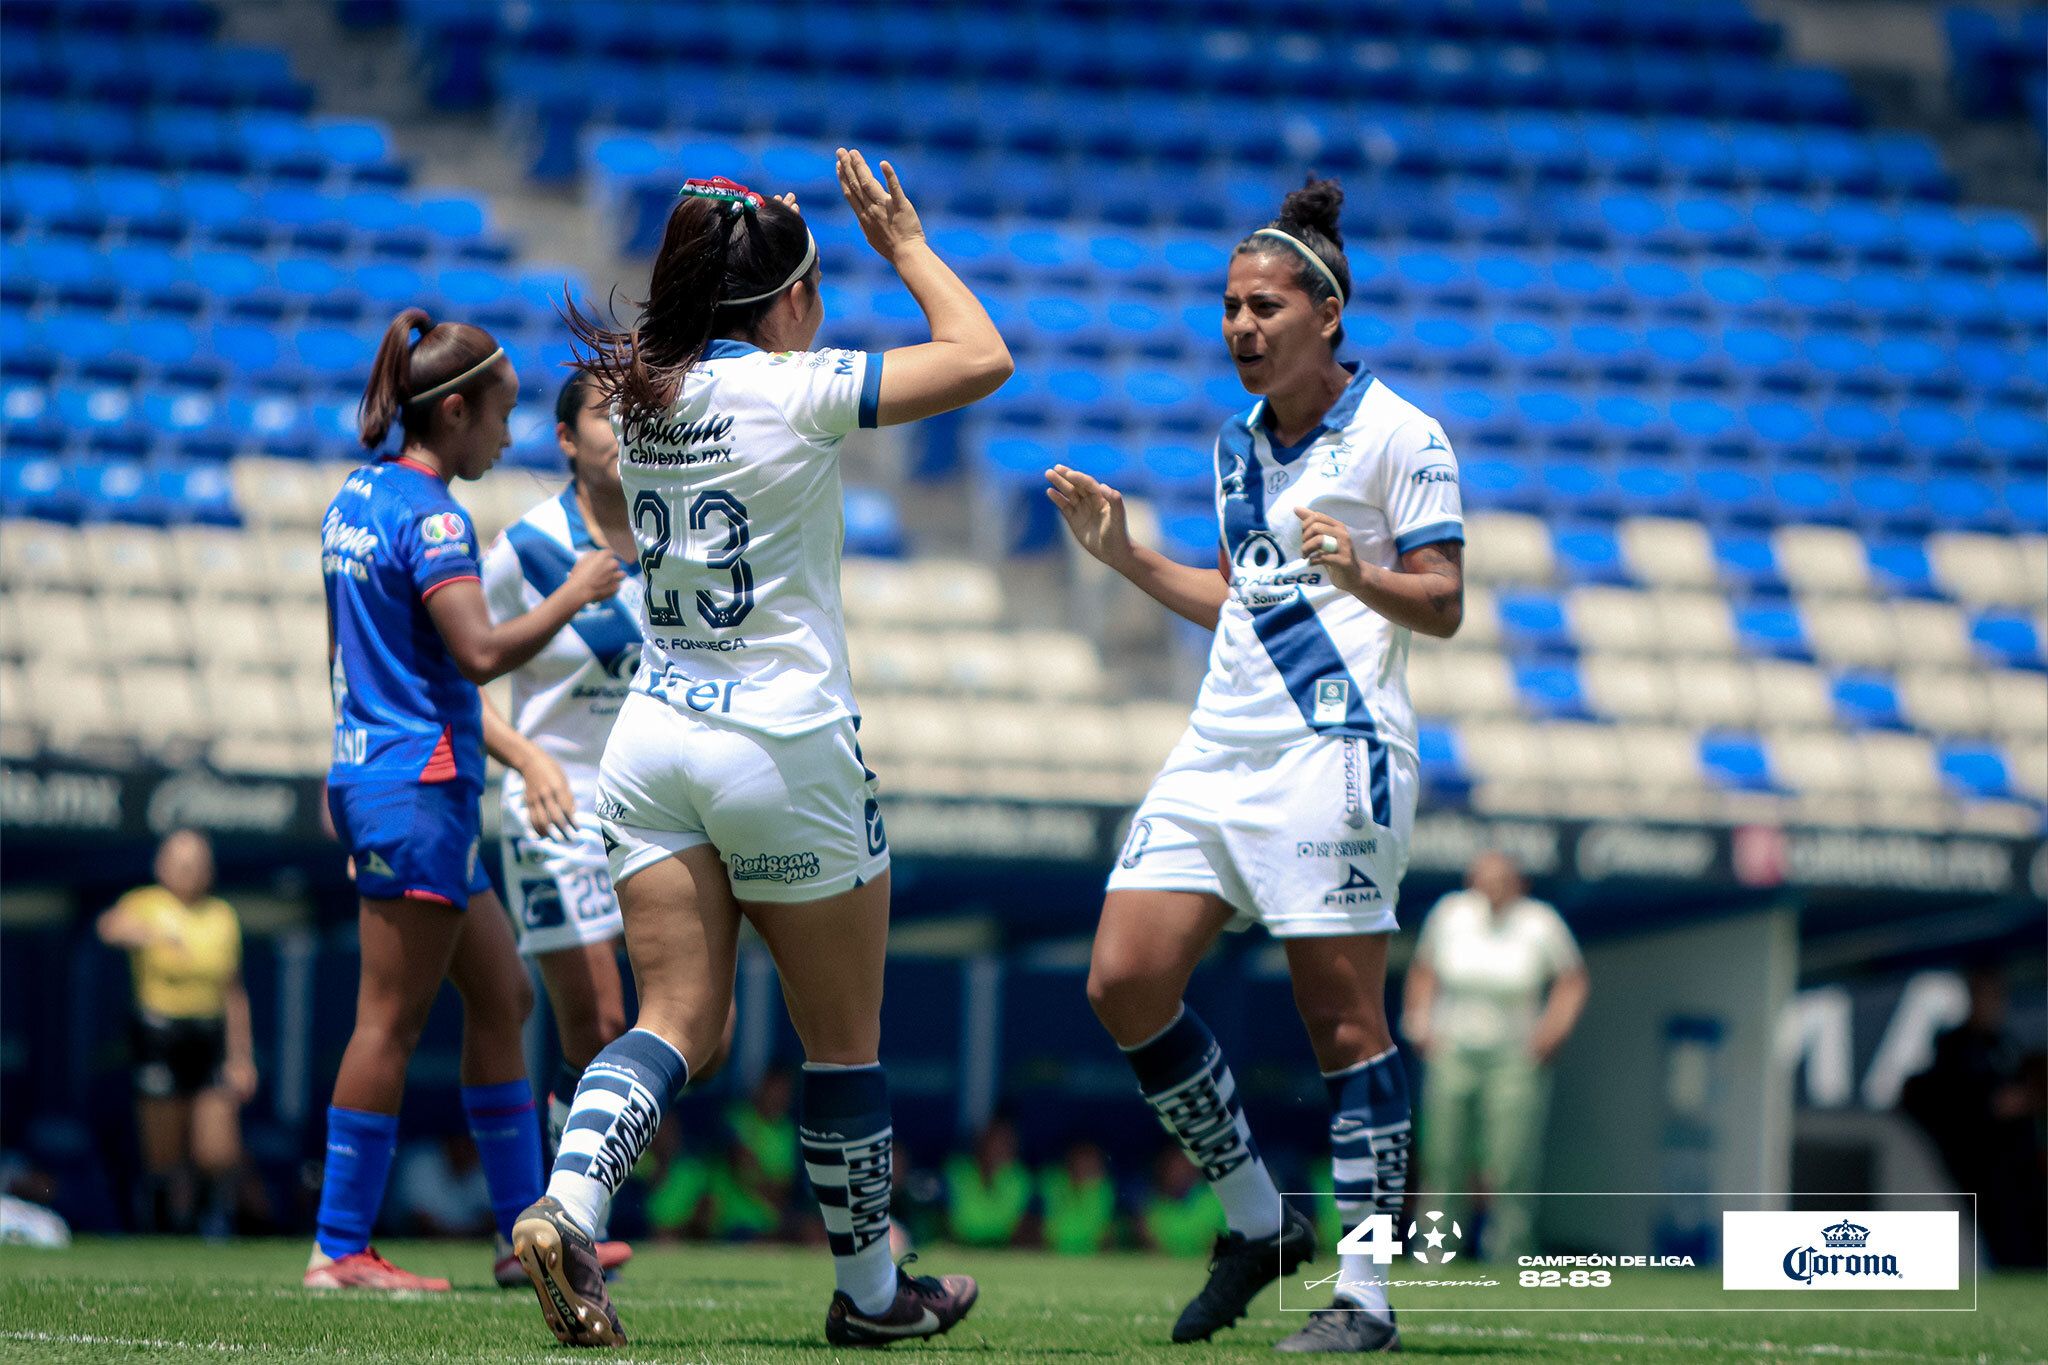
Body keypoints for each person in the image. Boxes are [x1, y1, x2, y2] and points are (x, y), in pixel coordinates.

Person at [509, 150, 1012, 1349]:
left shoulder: (640, 400)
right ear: (787, 299)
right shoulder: (796, 388)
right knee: (840, 1042)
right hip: (782, 747)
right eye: (816, 283)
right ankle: (875, 1298)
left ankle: (566, 1203)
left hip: (654, 742)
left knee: (677, 1020)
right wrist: (903, 246)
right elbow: (983, 356)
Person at [1046, 175, 1466, 1353]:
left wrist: (1362, 575)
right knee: (1122, 981)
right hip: (1216, 748)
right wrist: (1126, 556)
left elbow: (1440, 602)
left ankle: (1368, 1296)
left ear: (1325, 313)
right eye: (1228, 307)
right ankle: (1256, 1218)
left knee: (1343, 1020)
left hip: (1334, 749)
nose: (1239, 326)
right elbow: (1240, 597)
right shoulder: (1234, 447)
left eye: (1263, 306)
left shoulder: (1401, 435)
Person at [310, 306, 625, 1292]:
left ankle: (523, 1234)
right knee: (388, 1022)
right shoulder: (435, 515)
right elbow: (481, 654)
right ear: (452, 412)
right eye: (498, 417)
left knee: (504, 996)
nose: (505, 436)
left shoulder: (354, 498)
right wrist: (571, 597)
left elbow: (345, 653)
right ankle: (339, 1249)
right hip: (423, 781)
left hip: (386, 770)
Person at [1401, 851, 1588, 1262]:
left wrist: (1550, 1032)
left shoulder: (1540, 922)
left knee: (1511, 1160)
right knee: (1443, 1157)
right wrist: (1419, 1021)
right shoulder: (1450, 914)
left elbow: (1572, 979)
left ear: (1518, 882)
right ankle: (1435, 1254)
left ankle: (1509, 1254)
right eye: (1484, 878)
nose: (1492, 887)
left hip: (1515, 1056)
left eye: (1502, 879)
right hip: (1453, 1050)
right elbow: (1424, 969)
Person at [97, 829, 256, 1238]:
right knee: (163, 1154)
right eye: (181, 862)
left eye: (197, 863)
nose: (189, 871)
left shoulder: (221, 915)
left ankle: (211, 1219)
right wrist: (147, 934)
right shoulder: (148, 903)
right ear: (162, 867)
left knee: (217, 1150)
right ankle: (163, 1224)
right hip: (160, 1036)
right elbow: (109, 926)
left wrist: (242, 1057)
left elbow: (233, 991)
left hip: (208, 1036)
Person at [944, 1115, 1031, 1248]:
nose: (1000, 1149)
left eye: (1006, 1143)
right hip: (960, 1247)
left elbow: (1023, 1227)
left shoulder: (1019, 1178)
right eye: (995, 1141)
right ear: (981, 1142)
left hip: (1004, 1249)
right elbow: (945, 1221)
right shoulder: (956, 1171)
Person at [1038, 1139, 1116, 1256]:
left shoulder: (1104, 1190)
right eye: (1083, 1159)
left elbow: (1107, 1234)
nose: (1087, 1166)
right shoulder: (1050, 1182)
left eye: (1091, 1161)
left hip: (1092, 1257)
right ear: (1071, 1160)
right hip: (1050, 1254)